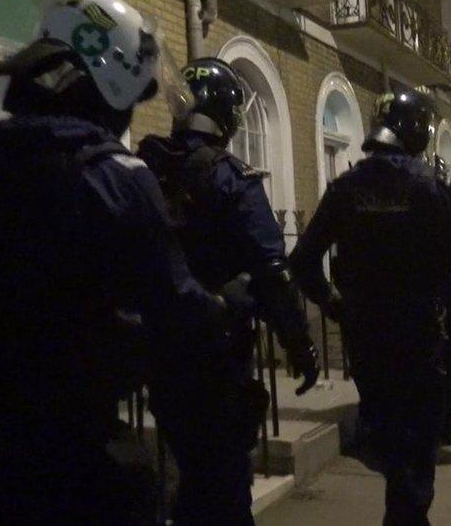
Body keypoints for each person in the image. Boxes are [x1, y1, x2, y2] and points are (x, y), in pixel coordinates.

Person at [0, 0, 250, 524]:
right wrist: (225, 303)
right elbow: (176, 307)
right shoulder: (113, 177)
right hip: (71, 460)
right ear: (109, 91)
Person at [136, 57, 319, 524]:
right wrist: (298, 341)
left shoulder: (145, 169)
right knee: (224, 481)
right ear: (227, 114)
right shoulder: (228, 175)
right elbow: (273, 269)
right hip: (218, 352)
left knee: (190, 471)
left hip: (160, 350)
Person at [289, 87, 451, 525]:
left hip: (366, 340)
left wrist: (336, 306)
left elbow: (302, 262)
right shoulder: (430, 188)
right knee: (416, 452)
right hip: (418, 338)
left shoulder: (345, 188)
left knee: (391, 444)